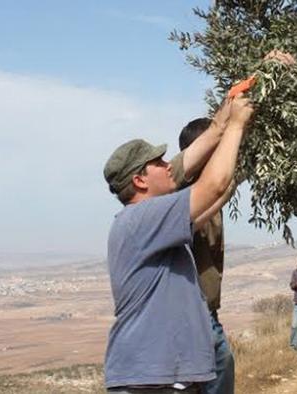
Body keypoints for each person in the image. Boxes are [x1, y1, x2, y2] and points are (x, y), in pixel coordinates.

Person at [102, 94, 253, 393]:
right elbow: (213, 187)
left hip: (162, 379)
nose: (168, 165)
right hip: (150, 382)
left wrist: (230, 111)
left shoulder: (151, 221)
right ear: (140, 181)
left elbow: (212, 181)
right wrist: (236, 126)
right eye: (158, 162)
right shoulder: (144, 218)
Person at [175, 117, 237, 394]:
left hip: (204, 308)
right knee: (219, 363)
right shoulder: (181, 197)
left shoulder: (209, 192)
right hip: (190, 309)